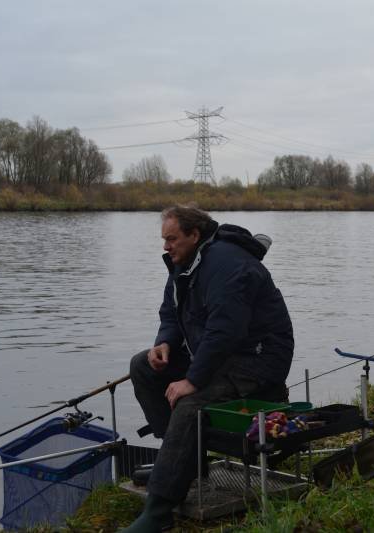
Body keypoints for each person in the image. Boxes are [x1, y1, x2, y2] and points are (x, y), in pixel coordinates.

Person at [124, 205, 294, 532]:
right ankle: (182, 463)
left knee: (190, 403)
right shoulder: (185, 263)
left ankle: (157, 512)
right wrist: (165, 343)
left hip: (256, 361)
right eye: (164, 239)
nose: (165, 246)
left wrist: (191, 380)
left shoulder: (226, 264)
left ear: (194, 235)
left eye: (172, 239)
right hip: (216, 352)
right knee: (142, 366)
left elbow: (225, 330)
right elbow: (172, 313)